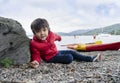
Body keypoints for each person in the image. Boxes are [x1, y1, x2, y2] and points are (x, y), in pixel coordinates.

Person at [30, 18, 102, 68]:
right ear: (34, 33)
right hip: (49, 58)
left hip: (56, 52)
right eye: (38, 31)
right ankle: (75, 58)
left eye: (44, 30)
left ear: (48, 30)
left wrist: (60, 38)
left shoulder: (51, 34)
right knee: (69, 57)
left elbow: (57, 37)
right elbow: (36, 54)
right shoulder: (34, 44)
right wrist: (36, 62)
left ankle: (90, 59)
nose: (42, 33)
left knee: (72, 52)